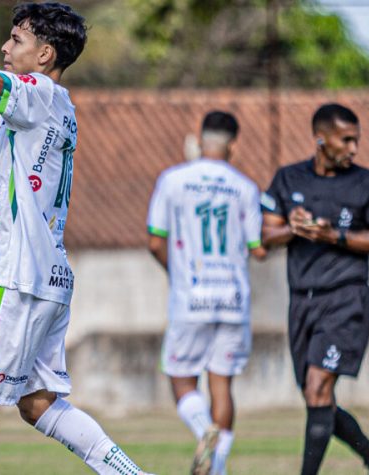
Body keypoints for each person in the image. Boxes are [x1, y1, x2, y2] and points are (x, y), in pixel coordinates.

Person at [0, 3, 150, 474]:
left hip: (15, 273)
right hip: (47, 274)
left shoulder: (35, 91)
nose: (4, 47)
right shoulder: (54, 101)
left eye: (16, 40)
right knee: (38, 402)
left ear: (44, 55)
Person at [261, 103, 369, 475]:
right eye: (346, 140)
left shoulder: (367, 182)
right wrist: (293, 228)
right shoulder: (288, 178)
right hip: (302, 302)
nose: (354, 148)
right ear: (321, 139)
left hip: (346, 299)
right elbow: (264, 234)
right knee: (318, 400)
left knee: (318, 388)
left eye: (357, 140)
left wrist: (336, 235)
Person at [147, 111, 266, 475]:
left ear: (199, 140)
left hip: (191, 297)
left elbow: (155, 242)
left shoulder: (173, 180)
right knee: (222, 385)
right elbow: (257, 248)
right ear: (234, 145)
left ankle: (204, 430)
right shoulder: (245, 187)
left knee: (180, 378)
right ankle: (218, 468)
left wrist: (177, 272)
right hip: (233, 299)